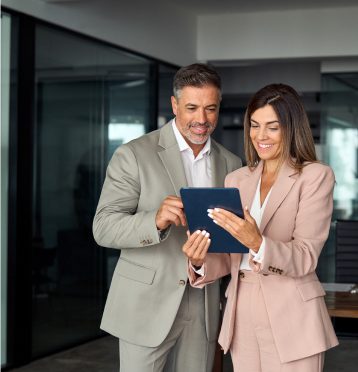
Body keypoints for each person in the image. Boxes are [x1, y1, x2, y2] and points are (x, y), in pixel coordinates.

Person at [93, 63, 242, 372]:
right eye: (191, 108)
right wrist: (155, 221)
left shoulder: (231, 162)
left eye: (210, 109)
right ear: (174, 105)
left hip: (203, 306)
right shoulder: (133, 154)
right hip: (146, 304)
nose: (201, 119)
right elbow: (103, 227)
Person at [183, 83, 339, 371]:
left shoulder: (315, 176)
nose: (260, 136)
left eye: (272, 127)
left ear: (291, 128)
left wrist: (258, 243)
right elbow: (232, 259)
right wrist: (199, 261)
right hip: (241, 309)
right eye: (254, 126)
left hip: (291, 310)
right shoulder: (236, 179)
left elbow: (305, 255)